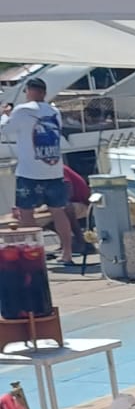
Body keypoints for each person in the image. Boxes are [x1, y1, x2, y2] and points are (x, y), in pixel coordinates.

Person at [1, 77, 77, 268]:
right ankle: (67, 253)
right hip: (54, 171)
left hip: (29, 173)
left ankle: (35, 256)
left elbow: (5, 129)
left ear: (28, 91)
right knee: (58, 212)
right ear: (44, 92)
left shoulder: (22, 110)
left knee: (26, 214)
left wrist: (5, 114)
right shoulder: (54, 111)